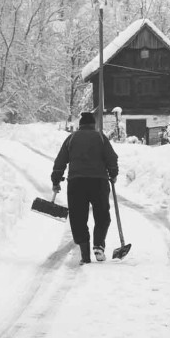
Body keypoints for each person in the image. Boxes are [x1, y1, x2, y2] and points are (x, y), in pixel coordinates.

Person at [51, 112, 119, 265]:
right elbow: (111, 158)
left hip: (77, 183)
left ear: (80, 124)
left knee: (78, 218)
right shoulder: (101, 137)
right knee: (102, 215)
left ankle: (85, 254)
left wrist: (56, 179)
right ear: (93, 124)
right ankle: (99, 245)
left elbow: (60, 161)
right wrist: (113, 173)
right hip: (99, 182)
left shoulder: (72, 138)